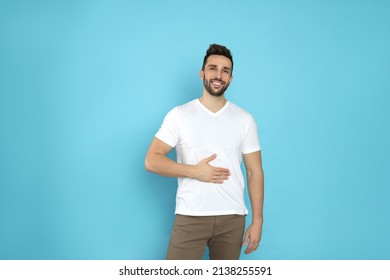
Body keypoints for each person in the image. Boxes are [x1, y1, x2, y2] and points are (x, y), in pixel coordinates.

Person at [145, 43, 264, 260]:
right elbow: (152, 160)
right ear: (202, 74)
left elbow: (254, 172)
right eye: (212, 68)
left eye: (225, 71)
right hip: (191, 215)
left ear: (230, 79)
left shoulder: (244, 119)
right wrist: (195, 172)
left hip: (232, 218)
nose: (218, 75)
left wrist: (257, 221)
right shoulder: (179, 115)